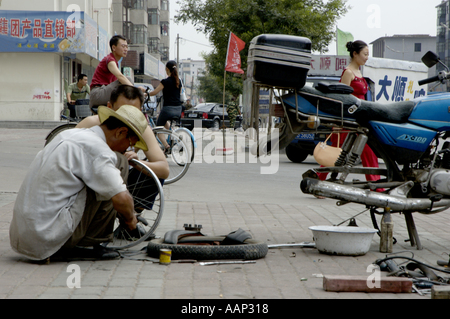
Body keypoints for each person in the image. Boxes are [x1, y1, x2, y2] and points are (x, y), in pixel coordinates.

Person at [10, 105, 149, 261]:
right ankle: (88, 244)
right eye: (130, 143)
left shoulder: (70, 134)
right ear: (121, 132)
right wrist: (131, 220)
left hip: (24, 235)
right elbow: (121, 198)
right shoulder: (98, 150)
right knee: (117, 170)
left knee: (107, 175)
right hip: (47, 237)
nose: (128, 148)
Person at [316, 40, 382, 191]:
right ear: (355, 54)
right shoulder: (348, 72)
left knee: (368, 151)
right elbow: (342, 99)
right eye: (365, 54)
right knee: (335, 155)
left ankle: (376, 186)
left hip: (361, 120)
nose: (367, 58)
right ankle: (318, 183)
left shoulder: (359, 72)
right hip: (348, 121)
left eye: (368, 55)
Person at [77, 85, 169, 180]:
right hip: (92, 176)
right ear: (109, 107)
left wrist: (136, 163)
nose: (127, 118)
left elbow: (163, 169)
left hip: (122, 178)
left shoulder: (142, 129)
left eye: (133, 113)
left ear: (140, 112)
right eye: (121, 111)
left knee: (155, 175)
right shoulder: (91, 123)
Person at [89, 35, 144, 111]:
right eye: (123, 46)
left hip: (102, 94)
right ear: (114, 48)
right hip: (98, 94)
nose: (126, 49)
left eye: (127, 47)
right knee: (127, 80)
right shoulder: (109, 60)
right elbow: (120, 76)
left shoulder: (115, 62)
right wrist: (136, 91)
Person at [148, 60, 183, 152]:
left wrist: (145, 94)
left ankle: (166, 146)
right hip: (178, 109)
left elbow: (155, 92)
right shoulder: (179, 81)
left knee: (158, 129)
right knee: (161, 117)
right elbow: (178, 94)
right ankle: (174, 139)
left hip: (168, 109)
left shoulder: (165, 81)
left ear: (167, 69)